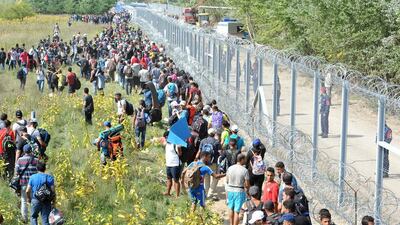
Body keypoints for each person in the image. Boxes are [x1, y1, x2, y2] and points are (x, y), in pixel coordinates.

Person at [15, 144, 39, 223]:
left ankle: (24, 219)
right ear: (31, 150)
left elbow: (17, 173)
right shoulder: (36, 160)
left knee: (24, 201)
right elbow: (38, 171)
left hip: (24, 184)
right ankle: (34, 218)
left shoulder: (19, 160)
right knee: (34, 200)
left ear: (24, 151)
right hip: (33, 184)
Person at [225, 153, 250, 225]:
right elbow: (247, 184)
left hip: (230, 190)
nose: (245, 160)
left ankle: (231, 223)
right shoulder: (244, 170)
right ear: (241, 160)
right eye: (244, 159)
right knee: (237, 211)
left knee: (230, 208)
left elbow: (227, 180)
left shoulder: (230, 168)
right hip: (239, 191)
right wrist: (247, 190)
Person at [197, 128, 221, 199]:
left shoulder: (203, 141)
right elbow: (220, 152)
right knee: (215, 178)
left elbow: (199, 151)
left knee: (206, 178)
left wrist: (197, 160)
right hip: (213, 162)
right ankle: (210, 193)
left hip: (204, 162)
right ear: (214, 134)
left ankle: (206, 194)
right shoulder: (216, 142)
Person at [163, 131, 182, 197]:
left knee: (176, 180)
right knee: (168, 178)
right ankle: (168, 192)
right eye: (165, 137)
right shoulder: (166, 144)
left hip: (175, 164)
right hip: (168, 164)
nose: (166, 139)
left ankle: (177, 196)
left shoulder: (176, 144)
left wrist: (179, 147)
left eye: (166, 137)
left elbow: (180, 154)